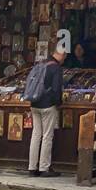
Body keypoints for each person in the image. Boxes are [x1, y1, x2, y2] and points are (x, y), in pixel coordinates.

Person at [27, 45, 66, 177]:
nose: (64, 59)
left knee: (36, 134)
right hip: (48, 106)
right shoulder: (56, 68)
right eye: (64, 56)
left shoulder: (40, 64)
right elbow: (56, 89)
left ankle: (32, 167)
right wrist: (58, 103)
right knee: (47, 136)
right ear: (61, 54)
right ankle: (44, 167)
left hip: (34, 103)